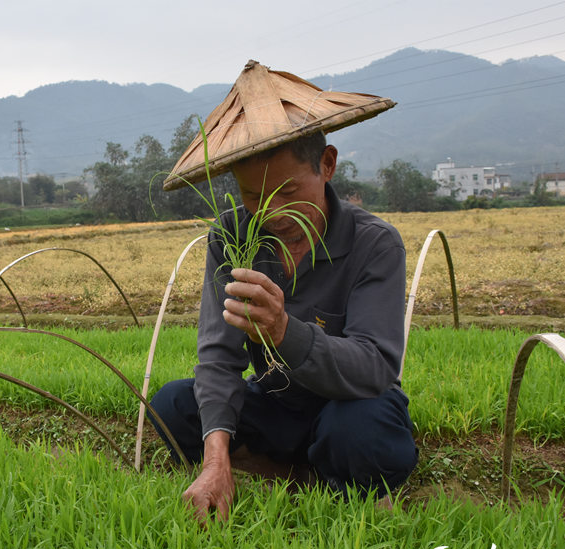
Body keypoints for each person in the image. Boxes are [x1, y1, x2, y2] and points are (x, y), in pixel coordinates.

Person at [148, 61, 418, 523]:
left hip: (348, 402)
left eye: (290, 191)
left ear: (327, 165)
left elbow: (374, 367)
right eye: (255, 197)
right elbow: (219, 357)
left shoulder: (375, 242)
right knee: (172, 406)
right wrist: (215, 457)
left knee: (361, 433)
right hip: (274, 401)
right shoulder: (230, 236)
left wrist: (282, 330)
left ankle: (311, 467)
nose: (273, 213)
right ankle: (281, 469)